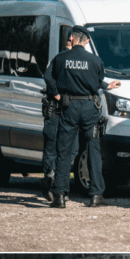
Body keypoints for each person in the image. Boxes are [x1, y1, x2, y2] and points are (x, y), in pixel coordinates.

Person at [46, 25, 120, 208]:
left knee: (64, 150)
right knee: (93, 150)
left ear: (72, 38)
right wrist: (106, 86)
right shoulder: (94, 60)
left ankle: (60, 196)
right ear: (85, 41)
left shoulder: (60, 58)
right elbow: (96, 82)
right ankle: (96, 195)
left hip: (68, 106)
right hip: (89, 107)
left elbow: (48, 77)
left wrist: (57, 95)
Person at [40, 34, 73, 201]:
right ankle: (56, 185)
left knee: (53, 148)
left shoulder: (58, 58)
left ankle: (51, 179)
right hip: (60, 109)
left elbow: (47, 77)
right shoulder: (62, 59)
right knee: (64, 150)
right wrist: (57, 95)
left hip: (57, 110)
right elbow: (48, 77)